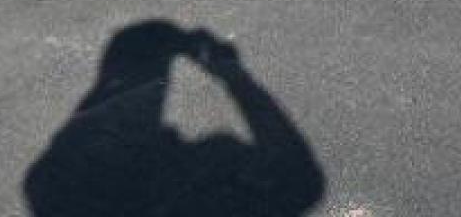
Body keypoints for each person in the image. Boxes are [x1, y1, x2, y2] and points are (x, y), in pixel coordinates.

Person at [25, 20, 324, 217]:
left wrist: (234, 77)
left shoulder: (49, 191)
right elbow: (296, 170)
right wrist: (235, 77)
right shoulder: (46, 190)